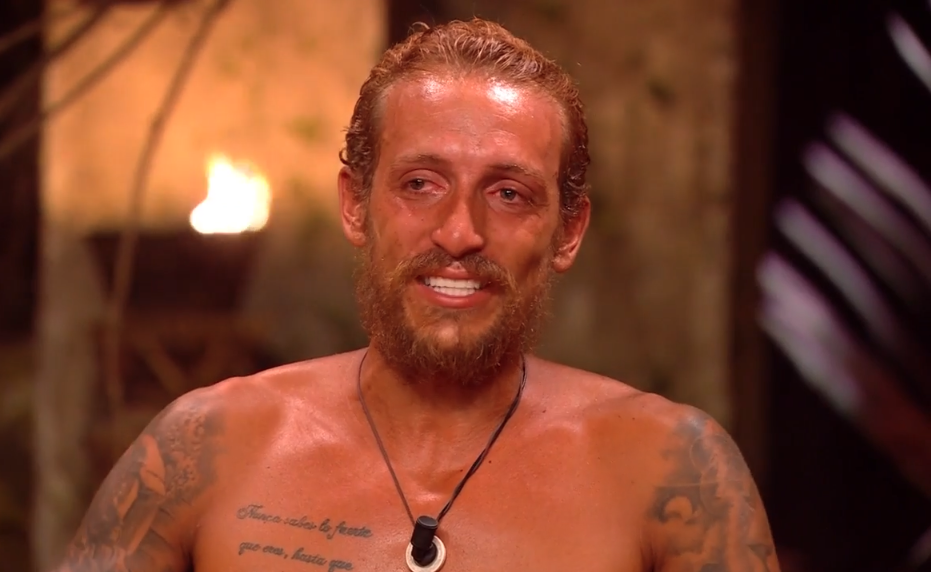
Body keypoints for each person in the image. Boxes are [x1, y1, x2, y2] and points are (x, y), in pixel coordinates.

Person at [55, 18, 780, 572]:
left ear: (567, 231)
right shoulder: (205, 449)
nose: (460, 232)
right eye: (420, 184)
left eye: (509, 193)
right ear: (354, 205)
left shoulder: (670, 471)